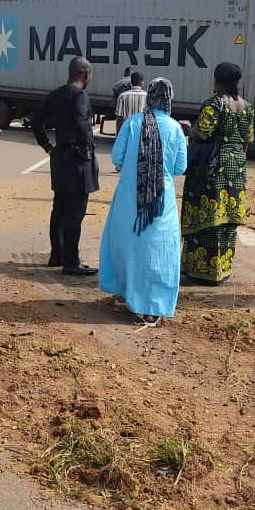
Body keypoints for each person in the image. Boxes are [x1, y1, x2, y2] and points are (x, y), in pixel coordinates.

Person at [99, 78, 187, 326]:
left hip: (129, 197)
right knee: (158, 252)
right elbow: (181, 167)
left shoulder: (132, 123)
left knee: (127, 245)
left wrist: (133, 167)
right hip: (161, 202)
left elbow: (117, 156)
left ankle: (127, 292)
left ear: (149, 97)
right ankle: (153, 307)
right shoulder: (175, 128)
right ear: (169, 98)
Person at [181, 63, 254, 285]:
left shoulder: (214, 104)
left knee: (209, 217)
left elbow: (202, 133)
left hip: (213, 167)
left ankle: (201, 271)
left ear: (217, 80)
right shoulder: (247, 107)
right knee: (227, 221)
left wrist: (187, 129)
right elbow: (247, 141)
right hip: (237, 167)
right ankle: (222, 270)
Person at [32, 57, 99, 276]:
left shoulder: (56, 94)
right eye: (91, 74)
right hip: (76, 161)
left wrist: (46, 145)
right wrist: (87, 149)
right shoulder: (80, 95)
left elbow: (36, 120)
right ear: (85, 74)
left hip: (59, 157)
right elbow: (81, 124)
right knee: (75, 212)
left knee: (59, 208)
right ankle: (71, 261)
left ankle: (57, 255)